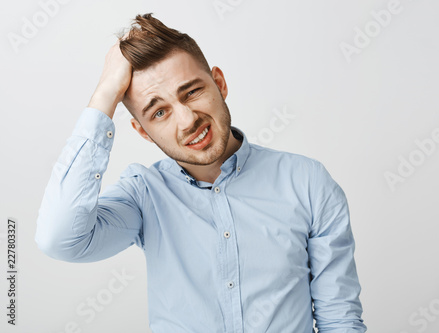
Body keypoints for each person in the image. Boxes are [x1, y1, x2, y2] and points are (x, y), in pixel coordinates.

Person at [35, 13, 367, 333]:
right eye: (160, 111)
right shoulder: (142, 194)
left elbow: (339, 319)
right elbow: (60, 240)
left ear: (219, 83)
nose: (187, 120)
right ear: (143, 132)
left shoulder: (307, 181)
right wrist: (104, 95)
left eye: (192, 92)